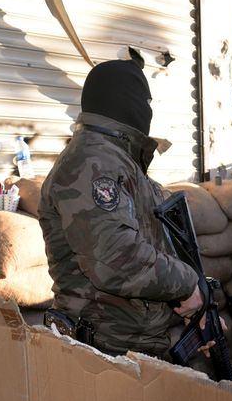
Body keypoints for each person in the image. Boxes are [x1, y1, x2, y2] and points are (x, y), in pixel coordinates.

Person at [38, 58, 204, 358]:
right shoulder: (94, 162)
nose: (148, 110)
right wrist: (187, 283)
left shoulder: (119, 160)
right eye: (146, 101)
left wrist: (196, 304)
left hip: (133, 342)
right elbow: (116, 259)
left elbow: (151, 245)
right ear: (126, 101)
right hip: (105, 348)